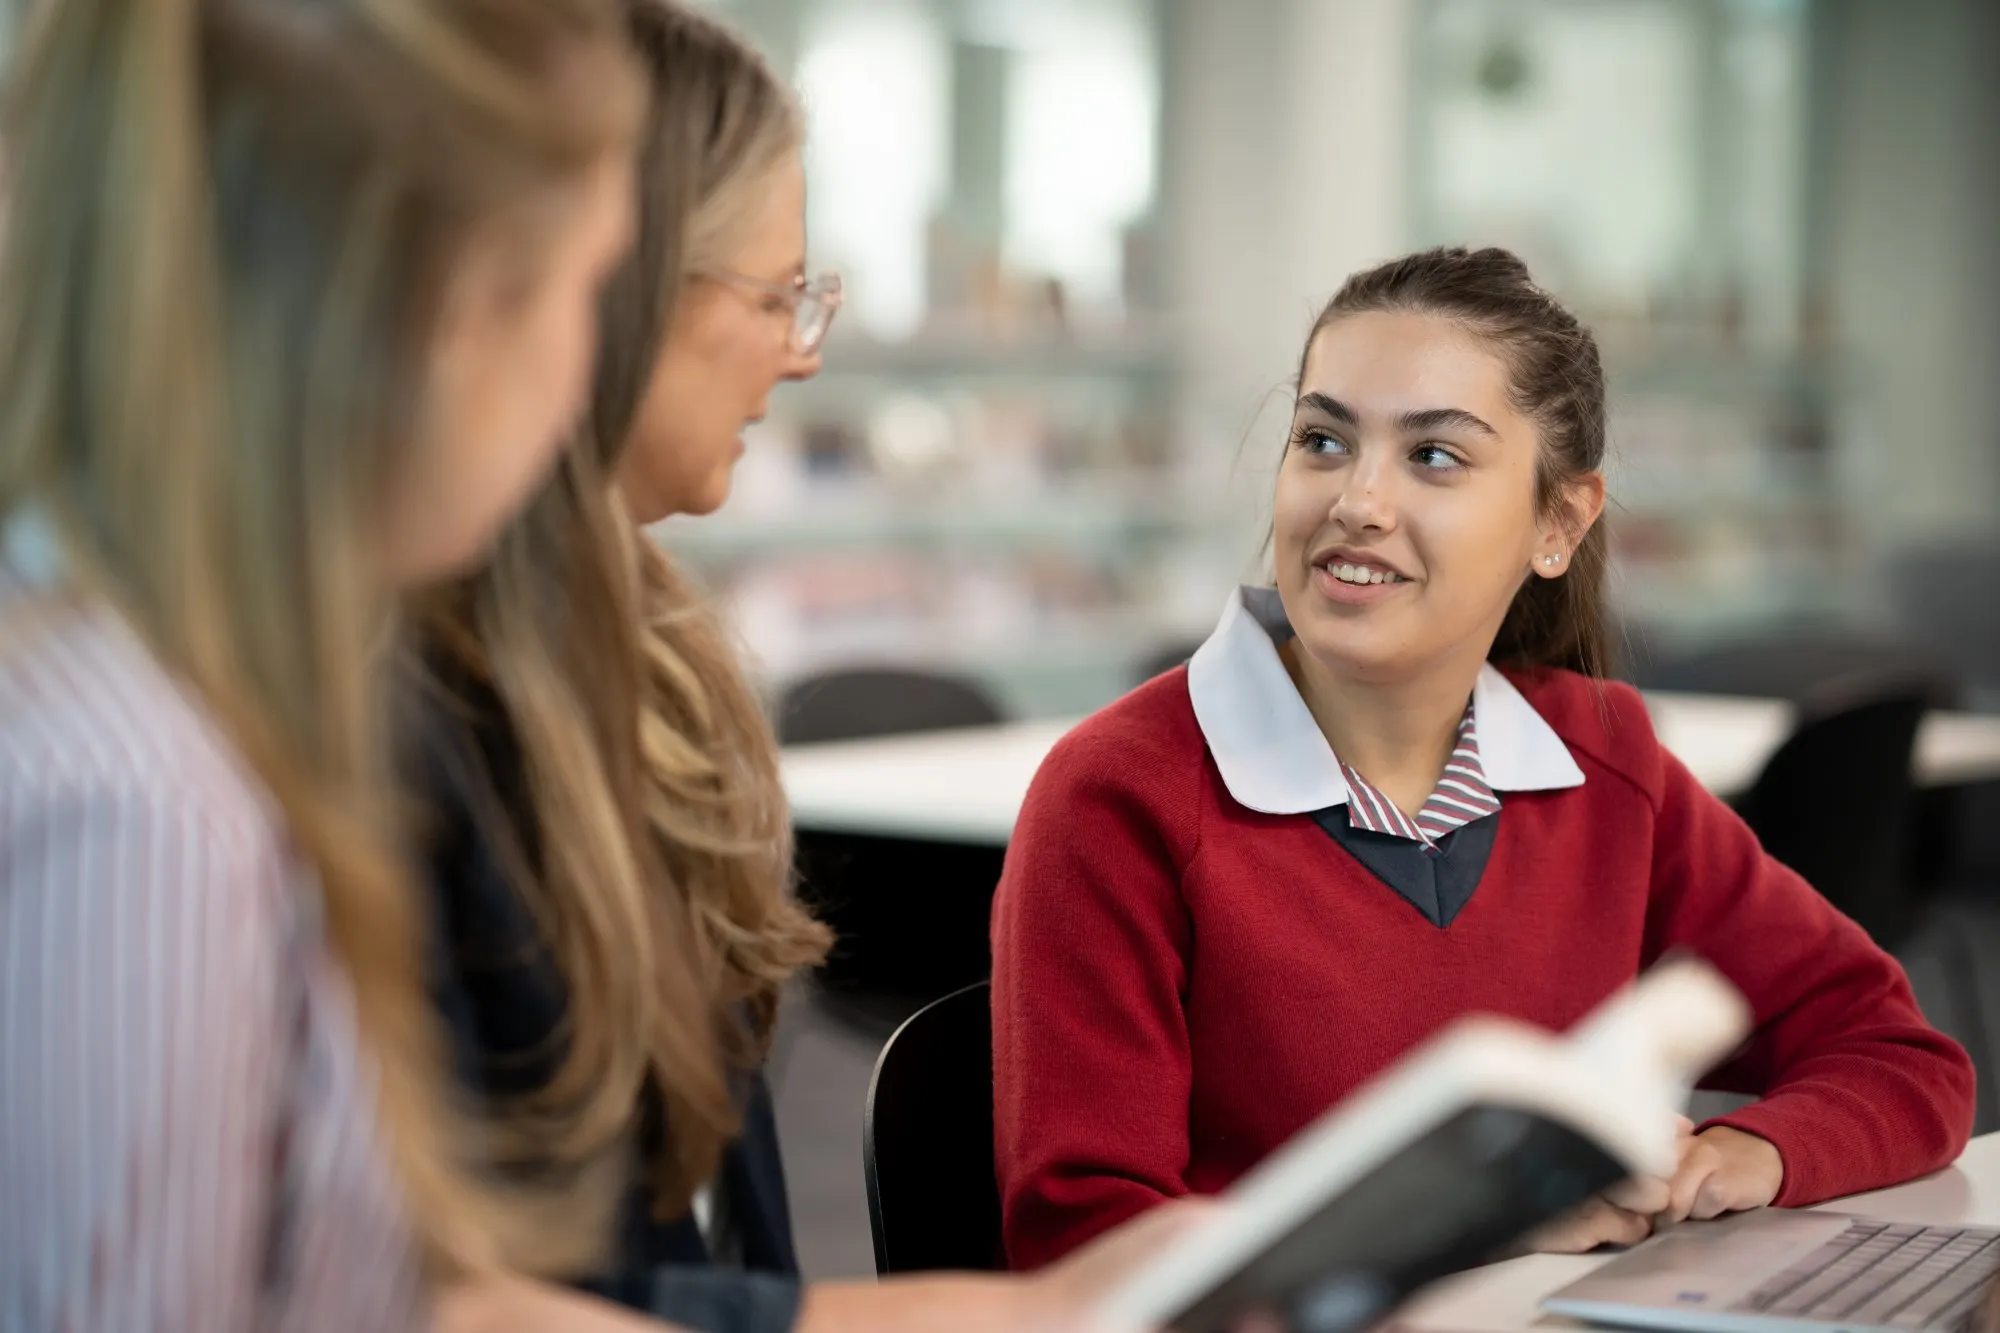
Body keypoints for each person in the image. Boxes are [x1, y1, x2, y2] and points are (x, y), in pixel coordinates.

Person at [414, 4, 1196, 1331]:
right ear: (612, 280)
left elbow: (698, 1235)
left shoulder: (648, 675)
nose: (804, 347)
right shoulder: (416, 724)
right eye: (778, 293)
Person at [989, 246, 1978, 1271]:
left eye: (1432, 457)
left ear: (1556, 522)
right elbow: (1084, 1245)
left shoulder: (1602, 762)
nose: (1356, 500)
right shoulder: (1122, 796)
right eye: (1322, 440)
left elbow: (1896, 1056)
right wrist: (1455, 1231)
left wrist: (1742, 1153)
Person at [0, 0, 661, 1324]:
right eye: (589, 286)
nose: (586, 376)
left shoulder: (148, 696)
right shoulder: (151, 809)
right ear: (458, 316)